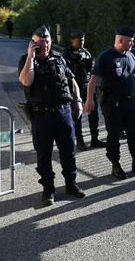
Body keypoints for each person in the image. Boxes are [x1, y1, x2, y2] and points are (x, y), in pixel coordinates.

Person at [18, 26, 86, 206]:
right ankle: (48, 190)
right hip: (42, 116)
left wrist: (78, 101)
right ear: (32, 43)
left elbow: (72, 81)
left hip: (64, 113)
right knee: (44, 156)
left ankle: (71, 184)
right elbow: (26, 81)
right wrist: (31, 57)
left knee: (68, 152)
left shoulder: (59, 59)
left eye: (46, 41)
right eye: (39, 42)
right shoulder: (26, 61)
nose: (44, 44)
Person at [85, 26, 135, 179]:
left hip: (129, 102)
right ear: (120, 40)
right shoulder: (105, 57)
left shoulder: (130, 55)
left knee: (134, 133)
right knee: (114, 135)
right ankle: (115, 164)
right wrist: (89, 100)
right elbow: (93, 80)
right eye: (130, 41)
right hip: (112, 104)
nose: (132, 44)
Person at [63, 30, 106, 151]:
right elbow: (65, 73)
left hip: (88, 86)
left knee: (93, 112)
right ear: (72, 41)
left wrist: (90, 65)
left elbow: (93, 70)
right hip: (75, 87)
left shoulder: (86, 52)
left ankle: (94, 138)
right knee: (78, 115)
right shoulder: (66, 55)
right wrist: (77, 65)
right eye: (79, 40)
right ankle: (80, 141)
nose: (81, 42)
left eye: (83, 40)